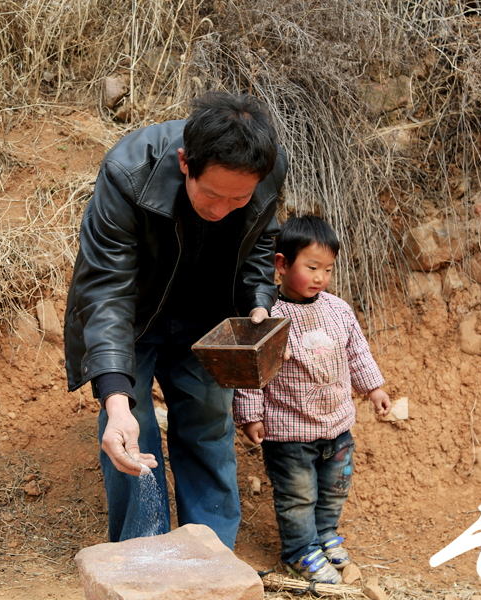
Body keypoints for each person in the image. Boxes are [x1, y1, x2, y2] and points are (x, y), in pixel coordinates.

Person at [63, 92, 287, 549]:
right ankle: (142, 558)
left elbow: (262, 240)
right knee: (132, 433)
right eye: (212, 195)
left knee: (209, 428)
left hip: (207, 324)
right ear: (185, 162)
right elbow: (105, 291)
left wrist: (258, 302)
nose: (223, 209)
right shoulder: (127, 173)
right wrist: (115, 403)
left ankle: (210, 557)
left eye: (238, 198)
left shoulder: (268, 168)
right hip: (134, 322)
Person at [233, 215, 391, 583]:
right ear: (282, 264)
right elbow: (252, 372)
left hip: (337, 427)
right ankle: (300, 551)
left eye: (328, 269)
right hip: (289, 433)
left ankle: (324, 535)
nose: (321, 277)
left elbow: (358, 354)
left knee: (335, 488)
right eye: (312, 267)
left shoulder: (338, 310)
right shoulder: (269, 317)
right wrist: (250, 416)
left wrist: (374, 389)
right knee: (298, 496)